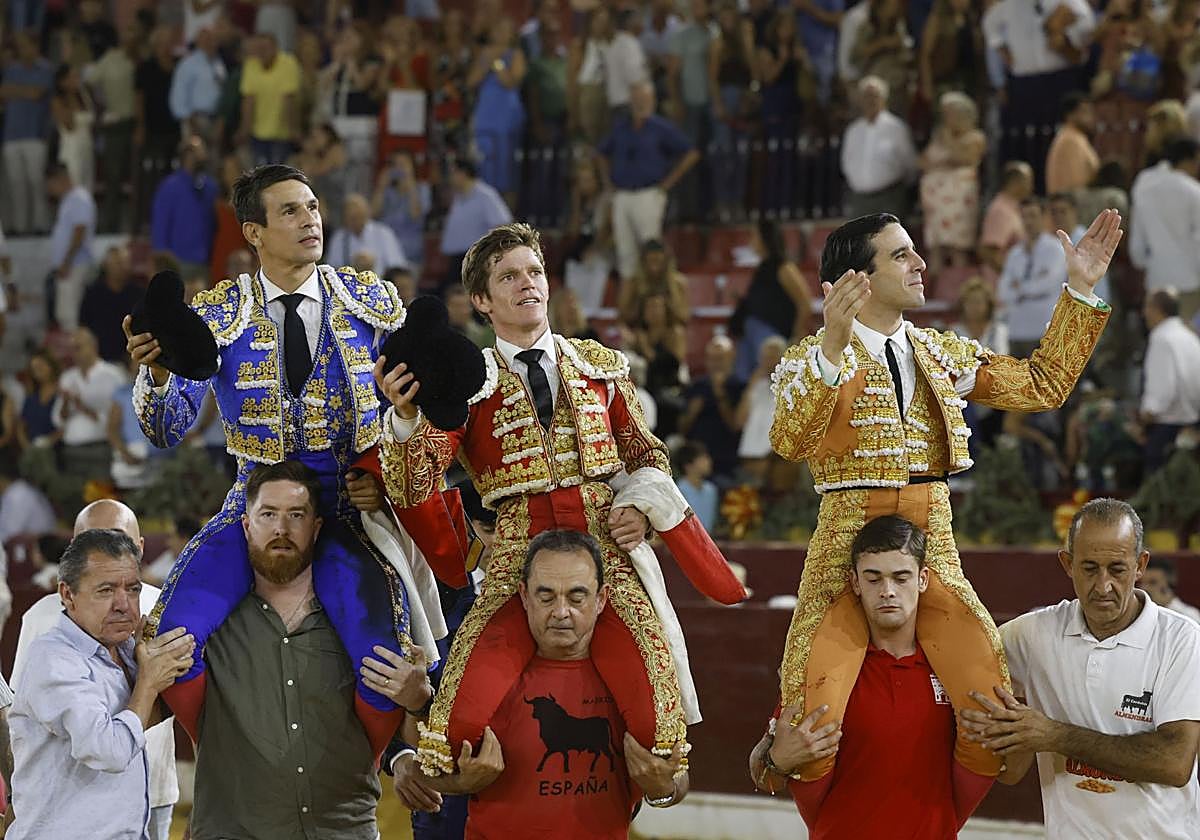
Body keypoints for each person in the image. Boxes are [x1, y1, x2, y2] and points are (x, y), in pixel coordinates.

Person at [374, 221, 744, 776]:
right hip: (517, 559)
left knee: (660, 733)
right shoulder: (466, 382)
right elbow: (412, 483)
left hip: (605, 556)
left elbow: (649, 457)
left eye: (535, 272)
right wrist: (403, 418)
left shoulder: (602, 367)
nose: (529, 284)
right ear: (481, 299)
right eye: (509, 276)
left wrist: (640, 506)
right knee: (453, 728)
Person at [768, 208, 1119, 784]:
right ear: (858, 279)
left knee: (990, 703)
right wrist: (830, 344)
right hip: (843, 546)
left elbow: (1043, 384)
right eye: (901, 254)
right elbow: (789, 440)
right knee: (810, 715)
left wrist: (1080, 289)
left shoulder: (940, 353)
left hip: (933, 542)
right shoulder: (811, 359)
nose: (920, 262)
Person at [124, 163, 417, 756]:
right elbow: (165, 427)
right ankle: (242, 758)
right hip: (251, 511)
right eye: (290, 210)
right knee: (169, 641)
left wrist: (384, 479)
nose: (310, 219)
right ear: (252, 233)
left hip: (347, 512)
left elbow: (418, 416)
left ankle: (359, 772)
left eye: (312, 207)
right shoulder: (217, 316)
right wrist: (156, 374)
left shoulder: (372, 303)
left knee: (388, 665)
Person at [190, 461, 431, 839]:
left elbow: (409, 741)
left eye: (296, 515)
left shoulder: (363, 619)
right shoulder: (209, 626)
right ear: (246, 525)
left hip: (343, 830)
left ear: (316, 528)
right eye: (268, 514)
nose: (281, 530)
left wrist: (417, 704)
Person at [413, 529, 689, 838]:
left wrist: (661, 789)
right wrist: (461, 784)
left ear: (601, 600)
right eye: (546, 596)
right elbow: (425, 769)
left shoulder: (632, 679)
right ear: (524, 596)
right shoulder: (484, 676)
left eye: (576, 596)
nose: (560, 612)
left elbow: (678, 781)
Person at [962, 499, 1200, 838]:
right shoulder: (1031, 635)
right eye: (1089, 568)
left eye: (1117, 569)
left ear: (1140, 564)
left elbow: (1174, 762)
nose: (1103, 586)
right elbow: (965, 666)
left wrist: (1052, 735)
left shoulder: (1181, 639)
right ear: (1067, 563)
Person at [751, 516, 993, 837]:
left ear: (923, 579)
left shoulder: (953, 669)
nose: (888, 591)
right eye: (874, 578)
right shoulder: (827, 669)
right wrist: (778, 761)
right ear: (855, 583)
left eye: (901, 577)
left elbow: (1004, 768)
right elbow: (763, 775)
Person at [5, 528, 194, 840]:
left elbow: (145, 716)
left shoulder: (122, 650)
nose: (123, 604)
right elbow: (109, 751)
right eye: (106, 591)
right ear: (67, 594)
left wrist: (165, 666)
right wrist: (147, 682)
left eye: (132, 590)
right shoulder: (53, 660)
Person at [597, 81, 700, 281]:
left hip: (649, 194)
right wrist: (607, 182)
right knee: (625, 251)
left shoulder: (661, 128)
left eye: (644, 99)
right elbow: (601, 153)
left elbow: (691, 153)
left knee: (651, 248)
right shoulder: (621, 128)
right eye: (636, 99)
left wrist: (668, 183)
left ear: (652, 101)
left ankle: (654, 294)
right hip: (622, 194)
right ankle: (629, 298)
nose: (640, 103)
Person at [1129, 137, 1200, 323]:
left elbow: (1137, 241)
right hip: (1189, 280)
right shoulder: (1193, 190)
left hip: (1156, 278)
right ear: (1189, 160)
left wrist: (1142, 261)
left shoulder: (1143, 183)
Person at [732, 219, 812, 382]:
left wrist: (796, 337)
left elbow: (804, 303)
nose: (751, 241)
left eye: (754, 236)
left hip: (771, 334)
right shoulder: (763, 268)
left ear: (765, 238)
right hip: (751, 334)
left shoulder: (784, 267)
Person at [919, 92, 985, 276]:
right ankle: (932, 294)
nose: (947, 119)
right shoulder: (937, 137)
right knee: (935, 250)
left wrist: (948, 139)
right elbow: (922, 161)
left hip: (958, 203)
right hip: (935, 204)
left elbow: (963, 158)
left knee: (957, 249)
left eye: (951, 114)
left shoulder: (974, 137)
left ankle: (957, 292)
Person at [996, 197, 1069, 358]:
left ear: (1043, 218)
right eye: (1024, 217)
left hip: (1044, 328)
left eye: (1033, 216)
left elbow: (1049, 284)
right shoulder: (1015, 253)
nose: (1028, 222)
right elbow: (1003, 291)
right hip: (1016, 329)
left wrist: (1019, 287)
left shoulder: (1056, 249)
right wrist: (1031, 286)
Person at [54, 327, 126, 486]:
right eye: (72, 349)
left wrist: (82, 406)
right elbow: (58, 421)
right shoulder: (67, 377)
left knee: (100, 498)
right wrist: (66, 402)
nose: (74, 353)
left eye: (78, 348)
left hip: (100, 449)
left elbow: (121, 418)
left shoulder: (113, 375)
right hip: (72, 450)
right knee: (74, 501)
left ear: (93, 346)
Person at [1138, 288, 1200, 471]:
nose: (1143, 313)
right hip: (1191, 428)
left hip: (1165, 430)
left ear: (1157, 309)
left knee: (1159, 494)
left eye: (1146, 307)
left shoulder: (1161, 339)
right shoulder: (1189, 337)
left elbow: (1163, 391)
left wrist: (1144, 420)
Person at [841, 75, 917, 221]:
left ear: (884, 98)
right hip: (860, 200)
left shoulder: (896, 127)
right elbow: (846, 163)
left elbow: (910, 165)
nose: (870, 100)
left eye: (874, 96)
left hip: (889, 198)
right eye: (866, 96)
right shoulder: (853, 130)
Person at [1, 31, 54, 235]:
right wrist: (25, 91)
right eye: (20, 47)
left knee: (36, 182)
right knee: (16, 184)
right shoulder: (12, 69)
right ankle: (20, 227)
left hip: (35, 135)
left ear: (35, 47)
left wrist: (15, 91)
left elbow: (37, 93)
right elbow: (3, 93)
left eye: (26, 46)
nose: (22, 50)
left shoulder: (45, 69)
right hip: (11, 135)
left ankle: (41, 225)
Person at [439, 158, 514, 292]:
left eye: (452, 173)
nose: (449, 178)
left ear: (462, 174)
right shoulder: (458, 197)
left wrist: (488, 254)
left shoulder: (485, 195)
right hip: (456, 259)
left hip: (474, 259)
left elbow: (503, 225)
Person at [151, 136, 219, 282]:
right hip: (177, 261)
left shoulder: (210, 186)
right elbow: (160, 222)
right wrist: (163, 254)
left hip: (205, 261)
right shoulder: (170, 186)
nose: (203, 157)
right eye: (199, 152)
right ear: (187, 155)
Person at [679, 333, 744, 485]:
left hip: (726, 460)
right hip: (695, 463)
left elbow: (735, 425)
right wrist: (692, 412)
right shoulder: (697, 386)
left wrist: (720, 395)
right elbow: (682, 427)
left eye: (720, 358)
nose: (716, 364)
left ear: (731, 358)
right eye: (712, 359)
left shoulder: (739, 387)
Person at [46, 162, 97, 332]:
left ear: (60, 180)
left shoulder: (79, 198)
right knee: (64, 314)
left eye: (50, 184)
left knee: (70, 316)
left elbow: (79, 231)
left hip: (74, 266)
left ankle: (75, 355)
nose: (49, 190)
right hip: (69, 266)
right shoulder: (68, 200)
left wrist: (67, 262)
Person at [238, 32, 301, 165]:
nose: (262, 52)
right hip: (258, 134)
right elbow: (248, 100)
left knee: (278, 174)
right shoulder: (251, 64)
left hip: (282, 134)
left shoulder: (288, 63)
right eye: (259, 49)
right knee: (260, 174)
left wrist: (293, 130)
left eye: (266, 48)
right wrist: (245, 130)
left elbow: (288, 99)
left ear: (276, 48)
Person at [79, 245, 144, 363]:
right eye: (117, 263)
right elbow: (84, 325)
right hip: (98, 358)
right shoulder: (93, 293)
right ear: (106, 265)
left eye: (125, 263)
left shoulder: (138, 293)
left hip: (130, 358)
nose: (121, 267)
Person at [325, 193, 409, 276]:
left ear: (367, 213)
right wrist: (353, 268)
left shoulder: (384, 233)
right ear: (344, 219)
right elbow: (331, 270)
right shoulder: (339, 238)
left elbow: (397, 268)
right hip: (349, 287)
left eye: (359, 215)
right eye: (351, 217)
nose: (356, 221)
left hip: (381, 285)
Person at [978, 161, 1033, 273]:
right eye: (1028, 181)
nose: (1031, 186)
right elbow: (989, 251)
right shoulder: (1001, 210)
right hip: (999, 283)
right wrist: (1010, 276)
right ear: (1015, 182)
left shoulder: (1014, 208)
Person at [1045, 92, 1100, 196]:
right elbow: (1076, 185)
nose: (1091, 118)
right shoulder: (1071, 140)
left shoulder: (1075, 137)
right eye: (1085, 112)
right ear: (1070, 115)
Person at [1140, 556, 1200, 624]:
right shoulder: (1139, 615)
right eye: (1142, 583)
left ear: (1170, 584)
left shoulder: (1189, 616)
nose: (1144, 588)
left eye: (1152, 582)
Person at [675, 441, 719, 532]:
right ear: (688, 465)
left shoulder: (711, 490)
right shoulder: (678, 491)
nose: (709, 462)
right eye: (703, 459)